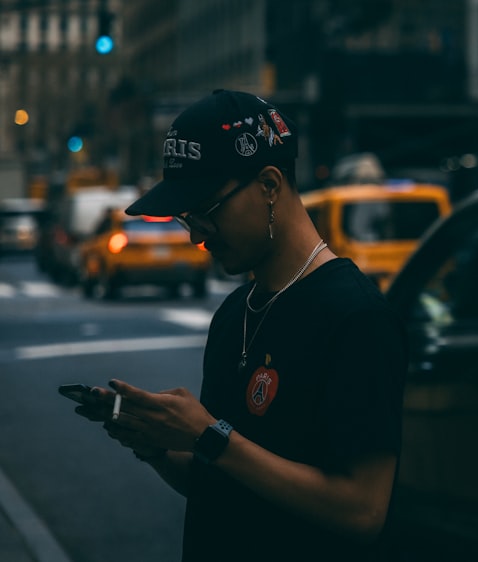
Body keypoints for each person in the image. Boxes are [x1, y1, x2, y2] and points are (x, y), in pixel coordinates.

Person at [72, 89, 407, 561]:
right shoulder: (235, 313)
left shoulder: (357, 318)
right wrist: (157, 446)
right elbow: (221, 484)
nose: (195, 236)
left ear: (270, 185)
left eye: (206, 213)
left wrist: (209, 435)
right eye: (187, 218)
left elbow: (362, 512)